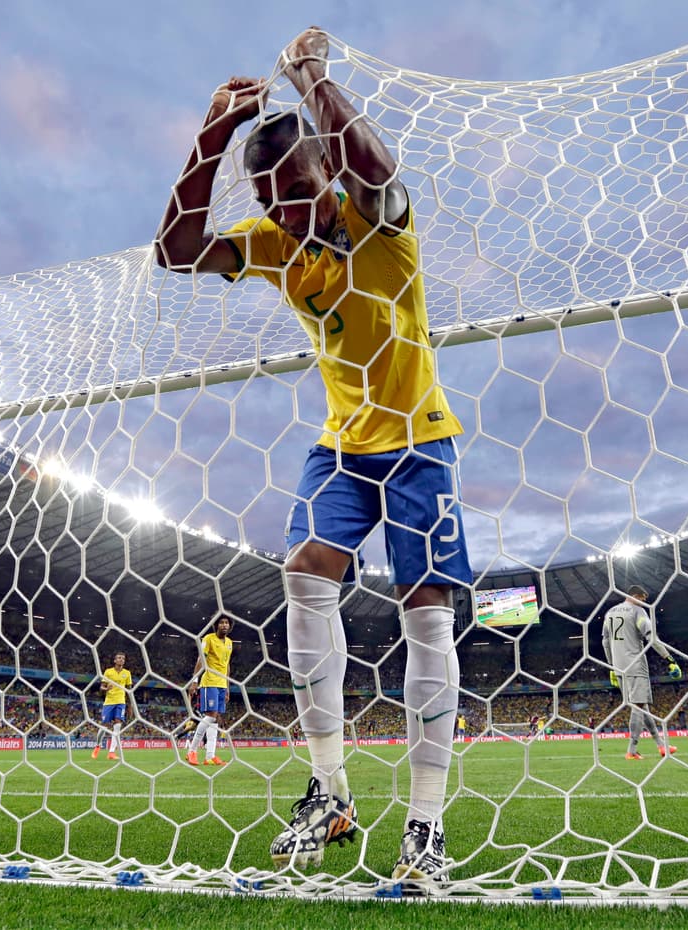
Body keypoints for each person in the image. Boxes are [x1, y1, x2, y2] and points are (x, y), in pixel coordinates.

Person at [154, 27, 471, 886]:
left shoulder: (377, 218)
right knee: (303, 571)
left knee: (425, 609)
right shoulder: (274, 241)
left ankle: (426, 824)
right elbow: (176, 250)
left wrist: (311, 81)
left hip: (418, 437)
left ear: (325, 169)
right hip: (341, 443)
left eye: (296, 191)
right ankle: (329, 792)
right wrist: (212, 134)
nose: (287, 213)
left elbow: (378, 169)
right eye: (272, 199)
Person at [601, 585, 682, 760]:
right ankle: (631, 751)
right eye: (643, 598)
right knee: (638, 706)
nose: (644, 602)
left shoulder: (610, 612)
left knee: (641, 707)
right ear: (636, 596)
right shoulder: (637, 611)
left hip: (619, 667)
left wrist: (611, 666)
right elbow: (651, 637)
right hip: (635, 665)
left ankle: (661, 745)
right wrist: (669, 659)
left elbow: (605, 642)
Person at [185, 616, 234, 766]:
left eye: (226, 623)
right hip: (209, 682)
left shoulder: (229, 643)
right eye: (221, 622)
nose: (224, 625)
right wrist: (195, 680)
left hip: (221, 684)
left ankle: (210, 756)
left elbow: (227, 666)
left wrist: (227, 687)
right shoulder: (208, 639)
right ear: (216, 625)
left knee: (215, 718)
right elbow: (201, 659)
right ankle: (192, 751)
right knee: (211, 716)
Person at [92, 652, 133, 761]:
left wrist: (130, 706)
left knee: (117, 725)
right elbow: (101, 687)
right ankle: (98, 746)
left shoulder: (127, 673)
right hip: (109, 702)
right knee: (104, 726)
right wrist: (106, 689)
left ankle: (111, 752)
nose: (121, 660)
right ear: (115, 660)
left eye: (123, 658)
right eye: (119, 658)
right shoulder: (108, 672)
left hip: (121, 702)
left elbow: (129, 690)